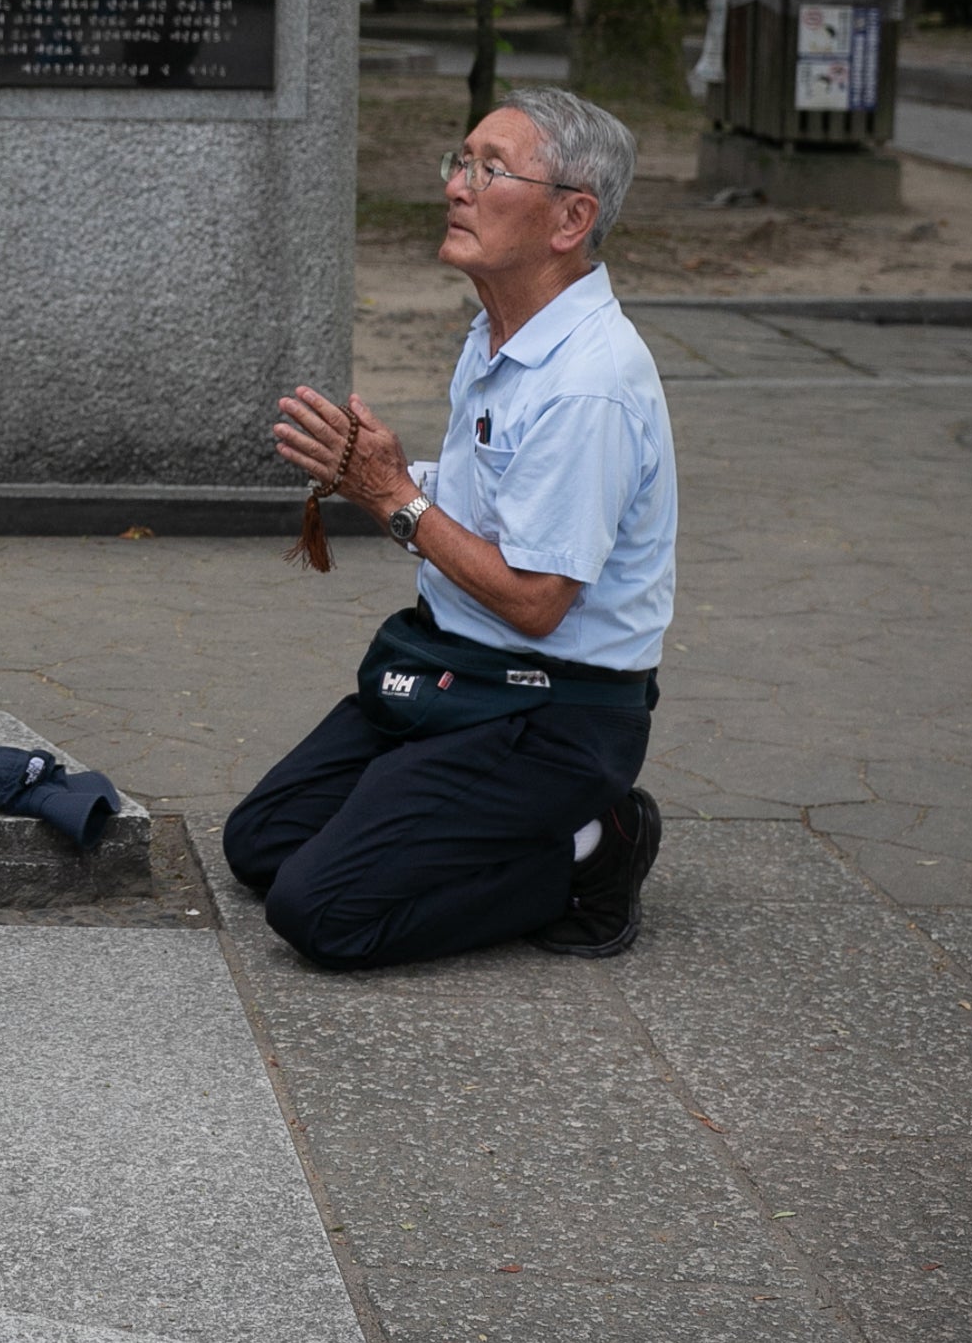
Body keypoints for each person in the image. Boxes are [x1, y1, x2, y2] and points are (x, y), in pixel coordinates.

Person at [225, 87, 678, 964]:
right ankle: (460, 816)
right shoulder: (500, 331)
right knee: (262, 844)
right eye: (460, 162)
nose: (457, 187)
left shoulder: (589, 381)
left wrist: (393, 494)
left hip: (551, 715)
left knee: (318, 911)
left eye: (491, 169)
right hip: (452, 671)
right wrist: (384, 474)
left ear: (569, 218)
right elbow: (498, 500)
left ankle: (590, 853)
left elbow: (539, 599)